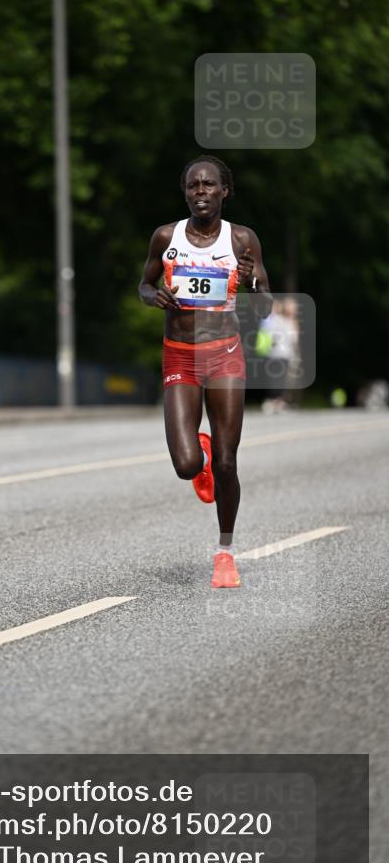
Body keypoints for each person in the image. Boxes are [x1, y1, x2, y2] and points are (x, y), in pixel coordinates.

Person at [138, 156, 273, 588]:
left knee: (228, 461)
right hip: (180, 356)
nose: (201, 192)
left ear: (224, 191)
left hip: (224, 355)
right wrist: (152, 296)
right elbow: (144, 283)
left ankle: (225, 552)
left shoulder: (242, 240)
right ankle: (201, 453)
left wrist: (252, 283)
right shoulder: (166, 236)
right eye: (193, 186)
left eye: (209, 185)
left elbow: (265, 305)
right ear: (185, 191)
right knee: (186, 465)